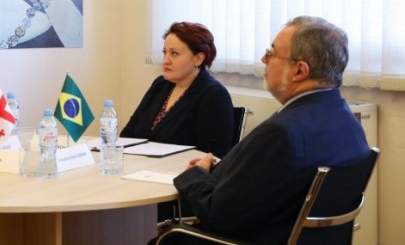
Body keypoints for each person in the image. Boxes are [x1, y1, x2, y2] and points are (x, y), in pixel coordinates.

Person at [168, 16, 370, 244]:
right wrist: (226, 169)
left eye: (271, 53)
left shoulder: (281, 133)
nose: (263, 59)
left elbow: (218, 216)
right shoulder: (348, 121)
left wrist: (195, 175)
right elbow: (275, 180)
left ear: (299, 71)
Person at [121, 22, 234, 158]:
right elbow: (128, 134)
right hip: (140, 166)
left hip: (180, 170)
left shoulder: (213, 94)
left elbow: (213, 156)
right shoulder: (160, 84)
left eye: (174, 53)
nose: (166, 60)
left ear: (198, 59)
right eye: (165, 52)